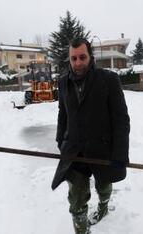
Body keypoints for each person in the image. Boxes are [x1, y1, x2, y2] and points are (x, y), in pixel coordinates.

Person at [51, 38, 130, 234]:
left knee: (104, 186)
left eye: (82, 57)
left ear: (90, 57)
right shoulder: (63, 82)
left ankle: (103, 206)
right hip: (74, 149)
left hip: (101, 148)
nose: (78, 62)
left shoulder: (108, 80)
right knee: (76, 199)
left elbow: (121, 120)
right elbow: (63, 113)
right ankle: (82, 231)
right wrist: (61, 140)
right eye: (74, 58)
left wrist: (119, 155)